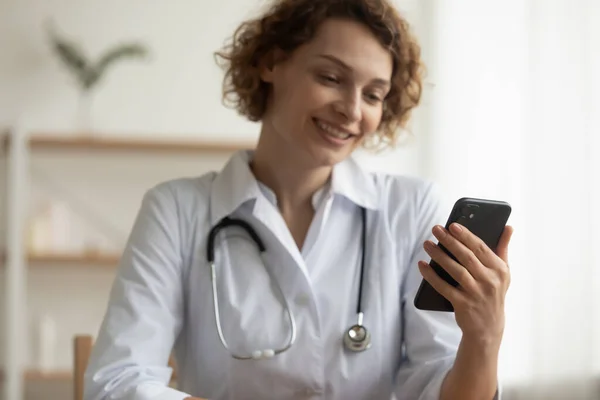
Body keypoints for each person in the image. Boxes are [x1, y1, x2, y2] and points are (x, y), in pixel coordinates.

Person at [84, 0, 513, 399]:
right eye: (330, 78)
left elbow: (437, 388)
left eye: (373, 95)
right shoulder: (176, 211)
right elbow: (118, 382)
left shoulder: (411, 209)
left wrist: (483, 339)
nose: (351, 110)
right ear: (271, 63)